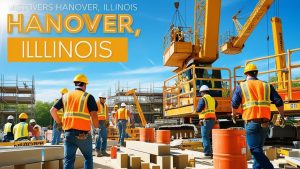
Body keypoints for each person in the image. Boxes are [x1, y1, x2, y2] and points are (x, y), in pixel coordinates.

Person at [232, 63, 285, 169]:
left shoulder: (241, 86)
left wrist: (233, 115)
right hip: (265, 123)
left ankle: (269, 167)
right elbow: (279, 102)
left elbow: (234, 104)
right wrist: (282, 116)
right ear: (256, 73)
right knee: (258, 149)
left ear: (246, 74)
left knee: (254, 150)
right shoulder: (266, 85)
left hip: (252, 122)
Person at [50, 74, 99, 169]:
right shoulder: (88, 96)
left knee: (68, 160)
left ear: (75, 84)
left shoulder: (65, 96)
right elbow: (94, 115)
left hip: (68, 134)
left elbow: (52, 111)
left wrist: (59, 123)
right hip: (83, 135)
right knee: (88, 157)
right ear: (84, 85)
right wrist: (96, 130)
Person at [193, 85, 217, 158]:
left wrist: (195, 111)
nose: (201, 94)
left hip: (206, 120)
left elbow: (199, 109)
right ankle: (215, 151)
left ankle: (207, 153)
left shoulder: (203, 99)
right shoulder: (213, 99)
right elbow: (215, 106)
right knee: (213, 137)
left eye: (201, 92)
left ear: (203, 92)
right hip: (213, 120)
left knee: (205, 137)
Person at [95, 92, 109, 157]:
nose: (104, 100)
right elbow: (93, 114)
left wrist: (107, 121)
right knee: (98, 137)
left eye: (105, 98)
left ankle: (103, 151)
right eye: (103, 98)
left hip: (103, 122)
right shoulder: (96, 104)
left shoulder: (105, 105)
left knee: (104, 137)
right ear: (100, 98)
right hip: (97, 122)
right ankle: (97, 151)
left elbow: (106, 114)